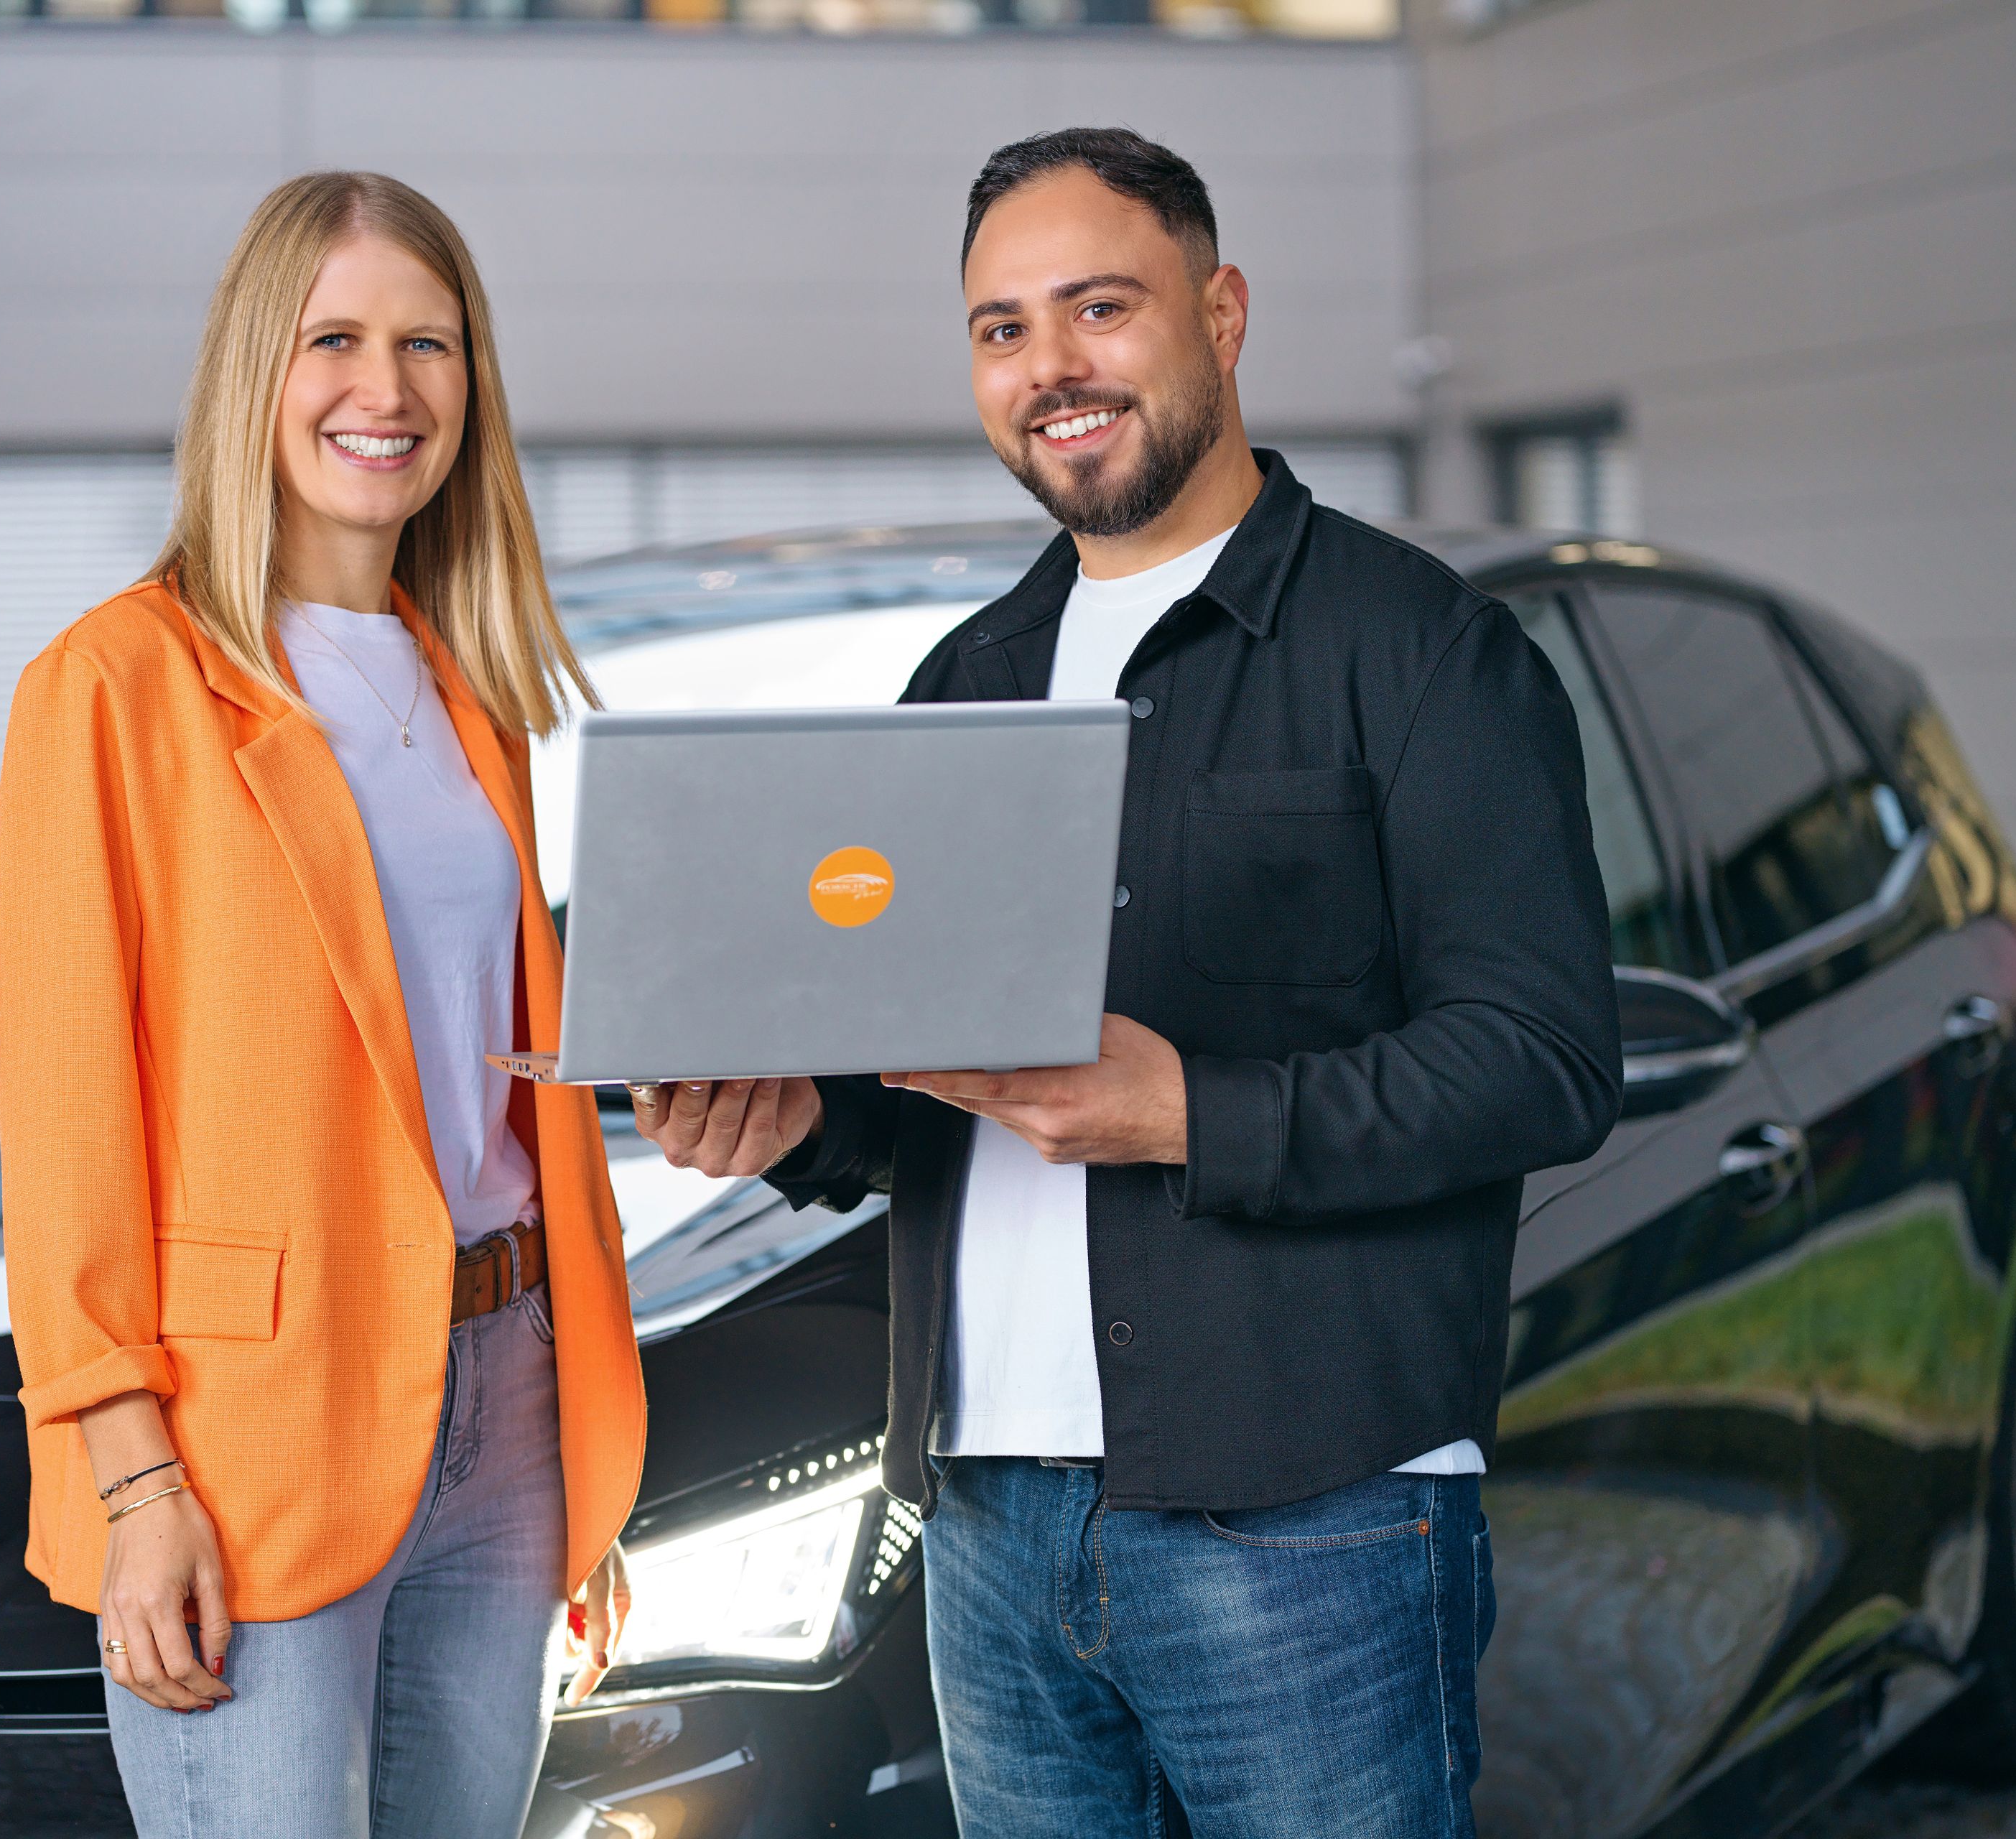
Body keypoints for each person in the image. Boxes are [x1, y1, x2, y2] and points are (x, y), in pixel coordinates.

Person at [632, 129, 1620, 1838]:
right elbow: (926, 1082)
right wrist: (802, 1118)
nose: (1051, 368)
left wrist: (1193, 1109)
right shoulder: (964, 683)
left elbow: (1542, 1058)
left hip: (1309, 1519)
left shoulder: (1426, 653)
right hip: (991, 1526)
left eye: (1101, 306)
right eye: (1003, 328)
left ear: (1222, 314)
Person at [0, 172, 644, 1839]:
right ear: (251, 374)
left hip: (503, 1404)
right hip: (250, 1431)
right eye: (336, 338)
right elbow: (73, 1127)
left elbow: (492, 1083)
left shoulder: (468, 685)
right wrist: (133, 1478)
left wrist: (568, 1427)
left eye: (431, 342)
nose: (390, 387)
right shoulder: (116, 683)